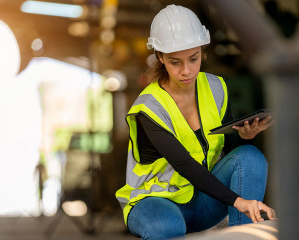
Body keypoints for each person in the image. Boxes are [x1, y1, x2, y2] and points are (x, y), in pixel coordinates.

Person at [116, 4, 276, 240]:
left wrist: (245, 135)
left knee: (250, 158)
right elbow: (184, 164)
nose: (187, 71)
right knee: (168, 229)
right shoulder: (148, 108)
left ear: (202, 51)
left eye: (194, 58)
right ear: (160, 57)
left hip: (201, 201)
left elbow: (229, 151)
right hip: (154, 204)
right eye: (175, 62)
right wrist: (238, 201)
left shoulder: (216, 87)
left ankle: (243, 235)